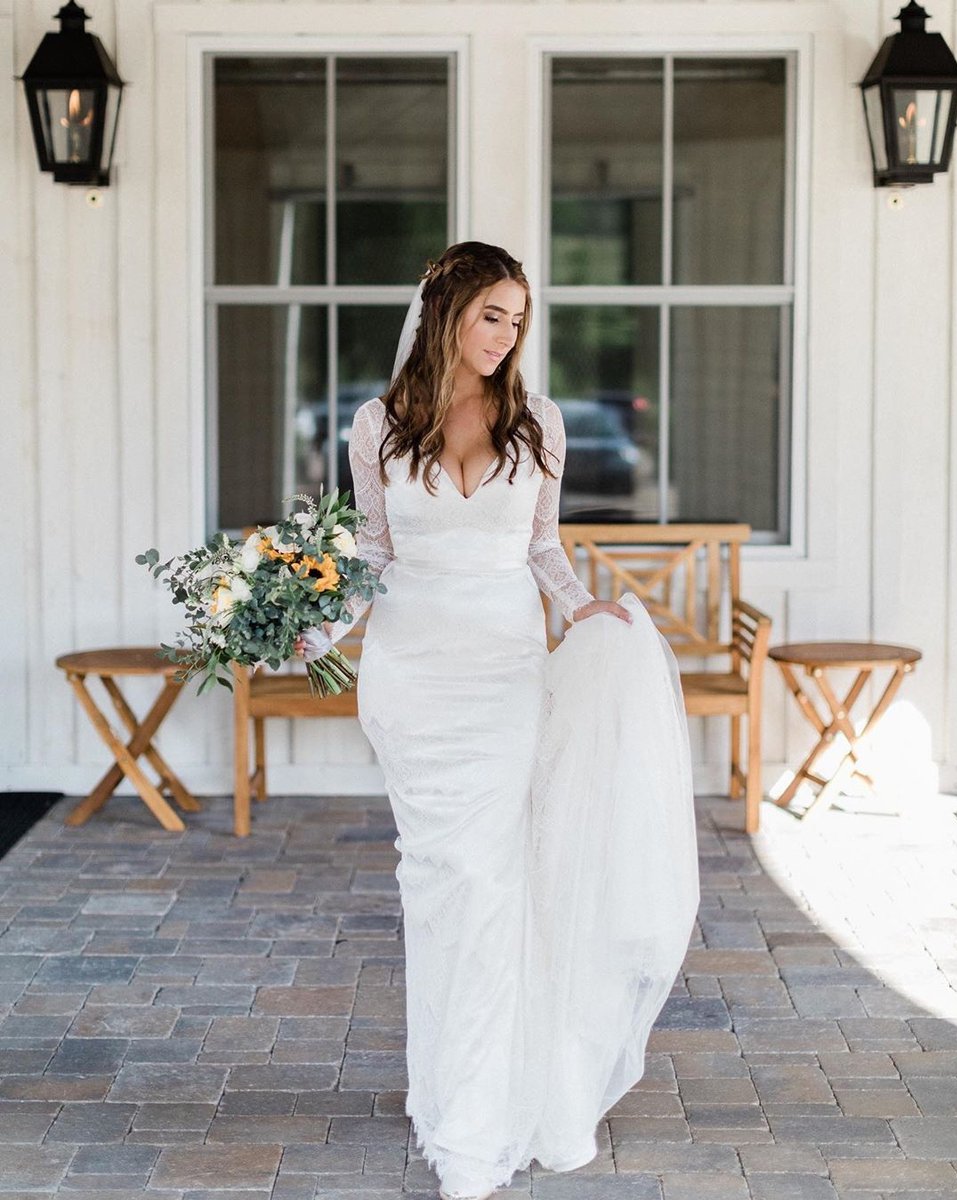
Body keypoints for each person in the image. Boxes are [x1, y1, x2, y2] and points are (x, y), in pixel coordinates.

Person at [296, 242, 699, 1200]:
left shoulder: (539, 421)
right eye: (492, 316)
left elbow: (541, 547)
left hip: (507, 673)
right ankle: (449, 1093)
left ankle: (478, 1119)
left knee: (491, 874)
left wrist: (581, 608)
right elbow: (373, 551)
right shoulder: (378, 424)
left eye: (518, 319)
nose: (506, 335)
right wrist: (314, 630)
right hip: (410, 675)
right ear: (446, 311)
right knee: (441, 880)